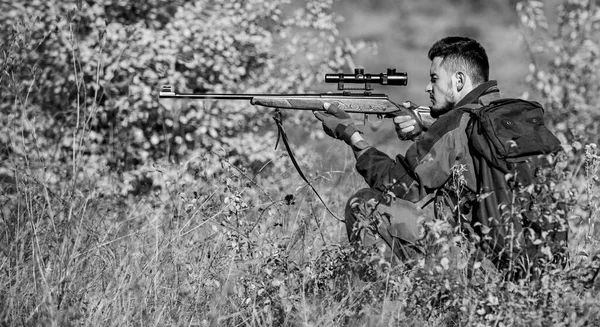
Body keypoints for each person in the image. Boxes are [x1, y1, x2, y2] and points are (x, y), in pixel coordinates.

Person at [314, 36, 566, 276]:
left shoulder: (455, 122)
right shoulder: (512, 117)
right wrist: (424, 133)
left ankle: (374, 303)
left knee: (366, 205)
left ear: (459, 80)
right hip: (529, 265)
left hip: (474, 266)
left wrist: (353, 137)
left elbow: (397, 185)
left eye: (434, 78)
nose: (427, 87)